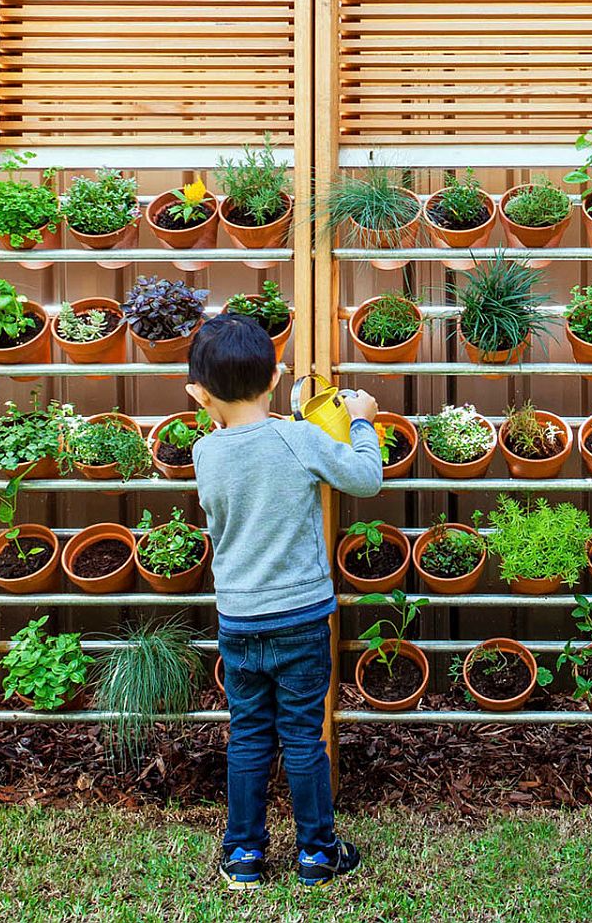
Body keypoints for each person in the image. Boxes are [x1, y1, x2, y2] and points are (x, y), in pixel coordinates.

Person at [185, 313, 382, 890]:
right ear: (275, 379)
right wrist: (360, 422)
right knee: (302, 735)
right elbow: (366, 478)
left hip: (240, 618)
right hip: (301, 616)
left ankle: (244, 855)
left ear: (199, 394)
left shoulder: (205, 454)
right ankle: (317, 855)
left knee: (248, 733)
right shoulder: (298, 438)